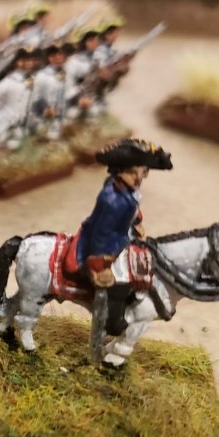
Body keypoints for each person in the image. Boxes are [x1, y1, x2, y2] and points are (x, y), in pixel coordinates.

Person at [76, 139, 173, 335]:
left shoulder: (127, 190)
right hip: (106, 244)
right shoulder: (112, 200)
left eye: (143, 173)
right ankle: (112, 321)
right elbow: (101, 234)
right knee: (119, 282)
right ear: (119, 171)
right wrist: (101, 261)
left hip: (122, 236)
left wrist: (135, 222)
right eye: (132, 173)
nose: (138, 178)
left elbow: (131, 210)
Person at [0, 47, 43, 155]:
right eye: (24, 60)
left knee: (15, 144)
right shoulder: (10, 80)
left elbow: (36, 99)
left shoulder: (34, 80)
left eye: (30, 60)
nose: (28, 63)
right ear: (17, 62)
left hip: (21, 122)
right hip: (4, 120)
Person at [30, 43, 74, 141]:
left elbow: (71, 92)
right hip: (46, 116)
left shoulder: (68, 72)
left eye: (60, 55)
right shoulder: (42, 76)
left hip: (65, 113)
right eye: (55, 56)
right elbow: (34, 97)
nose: (59, 58)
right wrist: (45, 109)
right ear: (49, 58)